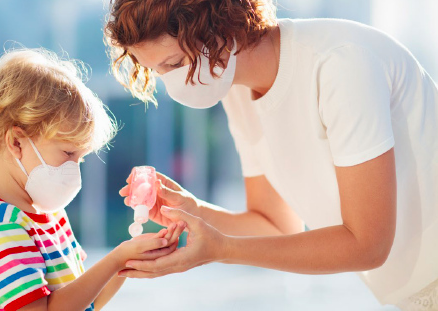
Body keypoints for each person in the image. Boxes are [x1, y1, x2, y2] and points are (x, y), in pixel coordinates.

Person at [104, 0, 438, 309]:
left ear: (216, 25)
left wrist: (222, 250)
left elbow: (368, 245)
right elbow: (276, 227)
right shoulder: (236, 90)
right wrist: (193, 211)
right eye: (159, 73)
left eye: (174, 64)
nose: (173, 85)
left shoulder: (339, 63)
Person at [0, 48, 186, 311]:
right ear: (16, 142)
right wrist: (116, 259)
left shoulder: (50, 214)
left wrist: (128, 258)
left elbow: (86, 301)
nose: (74, 169)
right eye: (68, 152)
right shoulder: (0, 230)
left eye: (81, 157)